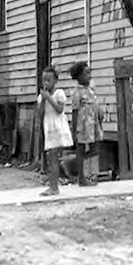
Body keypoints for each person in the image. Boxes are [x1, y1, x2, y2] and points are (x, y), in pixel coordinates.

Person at [38, 66, 73, 197]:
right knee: (51, 158)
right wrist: (43, 100)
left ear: (55, 81)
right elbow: (40, 114)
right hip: (49, 129)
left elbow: (59, 109)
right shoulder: (41, 97)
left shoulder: (59, 93)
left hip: (58, 129)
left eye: (48, 80)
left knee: (53, 158)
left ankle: (53, 187)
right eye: (43, 80)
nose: (45, 83)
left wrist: (49, 98)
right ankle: (53, 186)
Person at [69, 61, 103, 187]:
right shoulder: (76, 92)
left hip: (93, 123)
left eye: (90, 73)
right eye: (86, 74)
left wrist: (99, 114)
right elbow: (75, 111)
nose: (89, 76)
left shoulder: (91, 88)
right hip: (83, 125)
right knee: (81, 149)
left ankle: (90, 173)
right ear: (78, 77)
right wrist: (74, 129)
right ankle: (82, 178)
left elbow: (95, 104)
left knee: (95, 148)